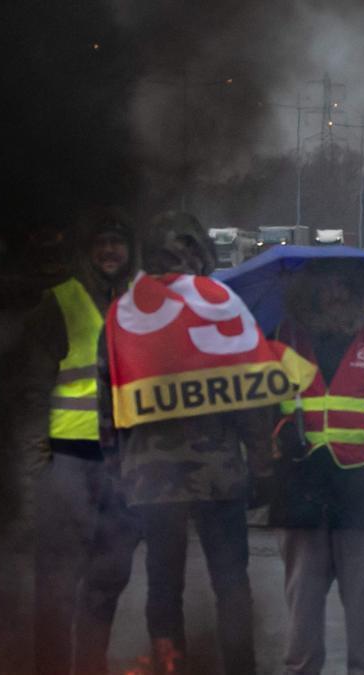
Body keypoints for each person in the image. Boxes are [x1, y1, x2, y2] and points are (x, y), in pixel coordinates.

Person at [98, 211, 277, 675]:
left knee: (163, 585)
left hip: (152, 476)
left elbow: (108, 399)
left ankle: (169, 665)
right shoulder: (219, 301)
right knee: (231, 582)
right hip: (218, 472)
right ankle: (241, 668)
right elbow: (252, 389)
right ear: (200, 255)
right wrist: (261, 462)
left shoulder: (125, 312)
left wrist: (117, 466)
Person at [16, 207, 137, 675]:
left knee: (110, 575)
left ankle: (90, 666)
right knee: (56, 582)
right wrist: (37, 467)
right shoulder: (60, 303)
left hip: (123, 465)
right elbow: (30, 391)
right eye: (101, 242)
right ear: (87, 251)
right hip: (68, 463)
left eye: (118, 242)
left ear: (131, 252)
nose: (110, 251)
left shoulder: (139, 306)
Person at [268, 258, 364, 675]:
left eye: (346, 285)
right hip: (299, 490)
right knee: (301, 615)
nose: (335, 293)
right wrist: (278, 433)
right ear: (308, 292)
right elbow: (258, 409)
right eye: (326, 285)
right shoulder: (280, 340)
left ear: (361, 293)